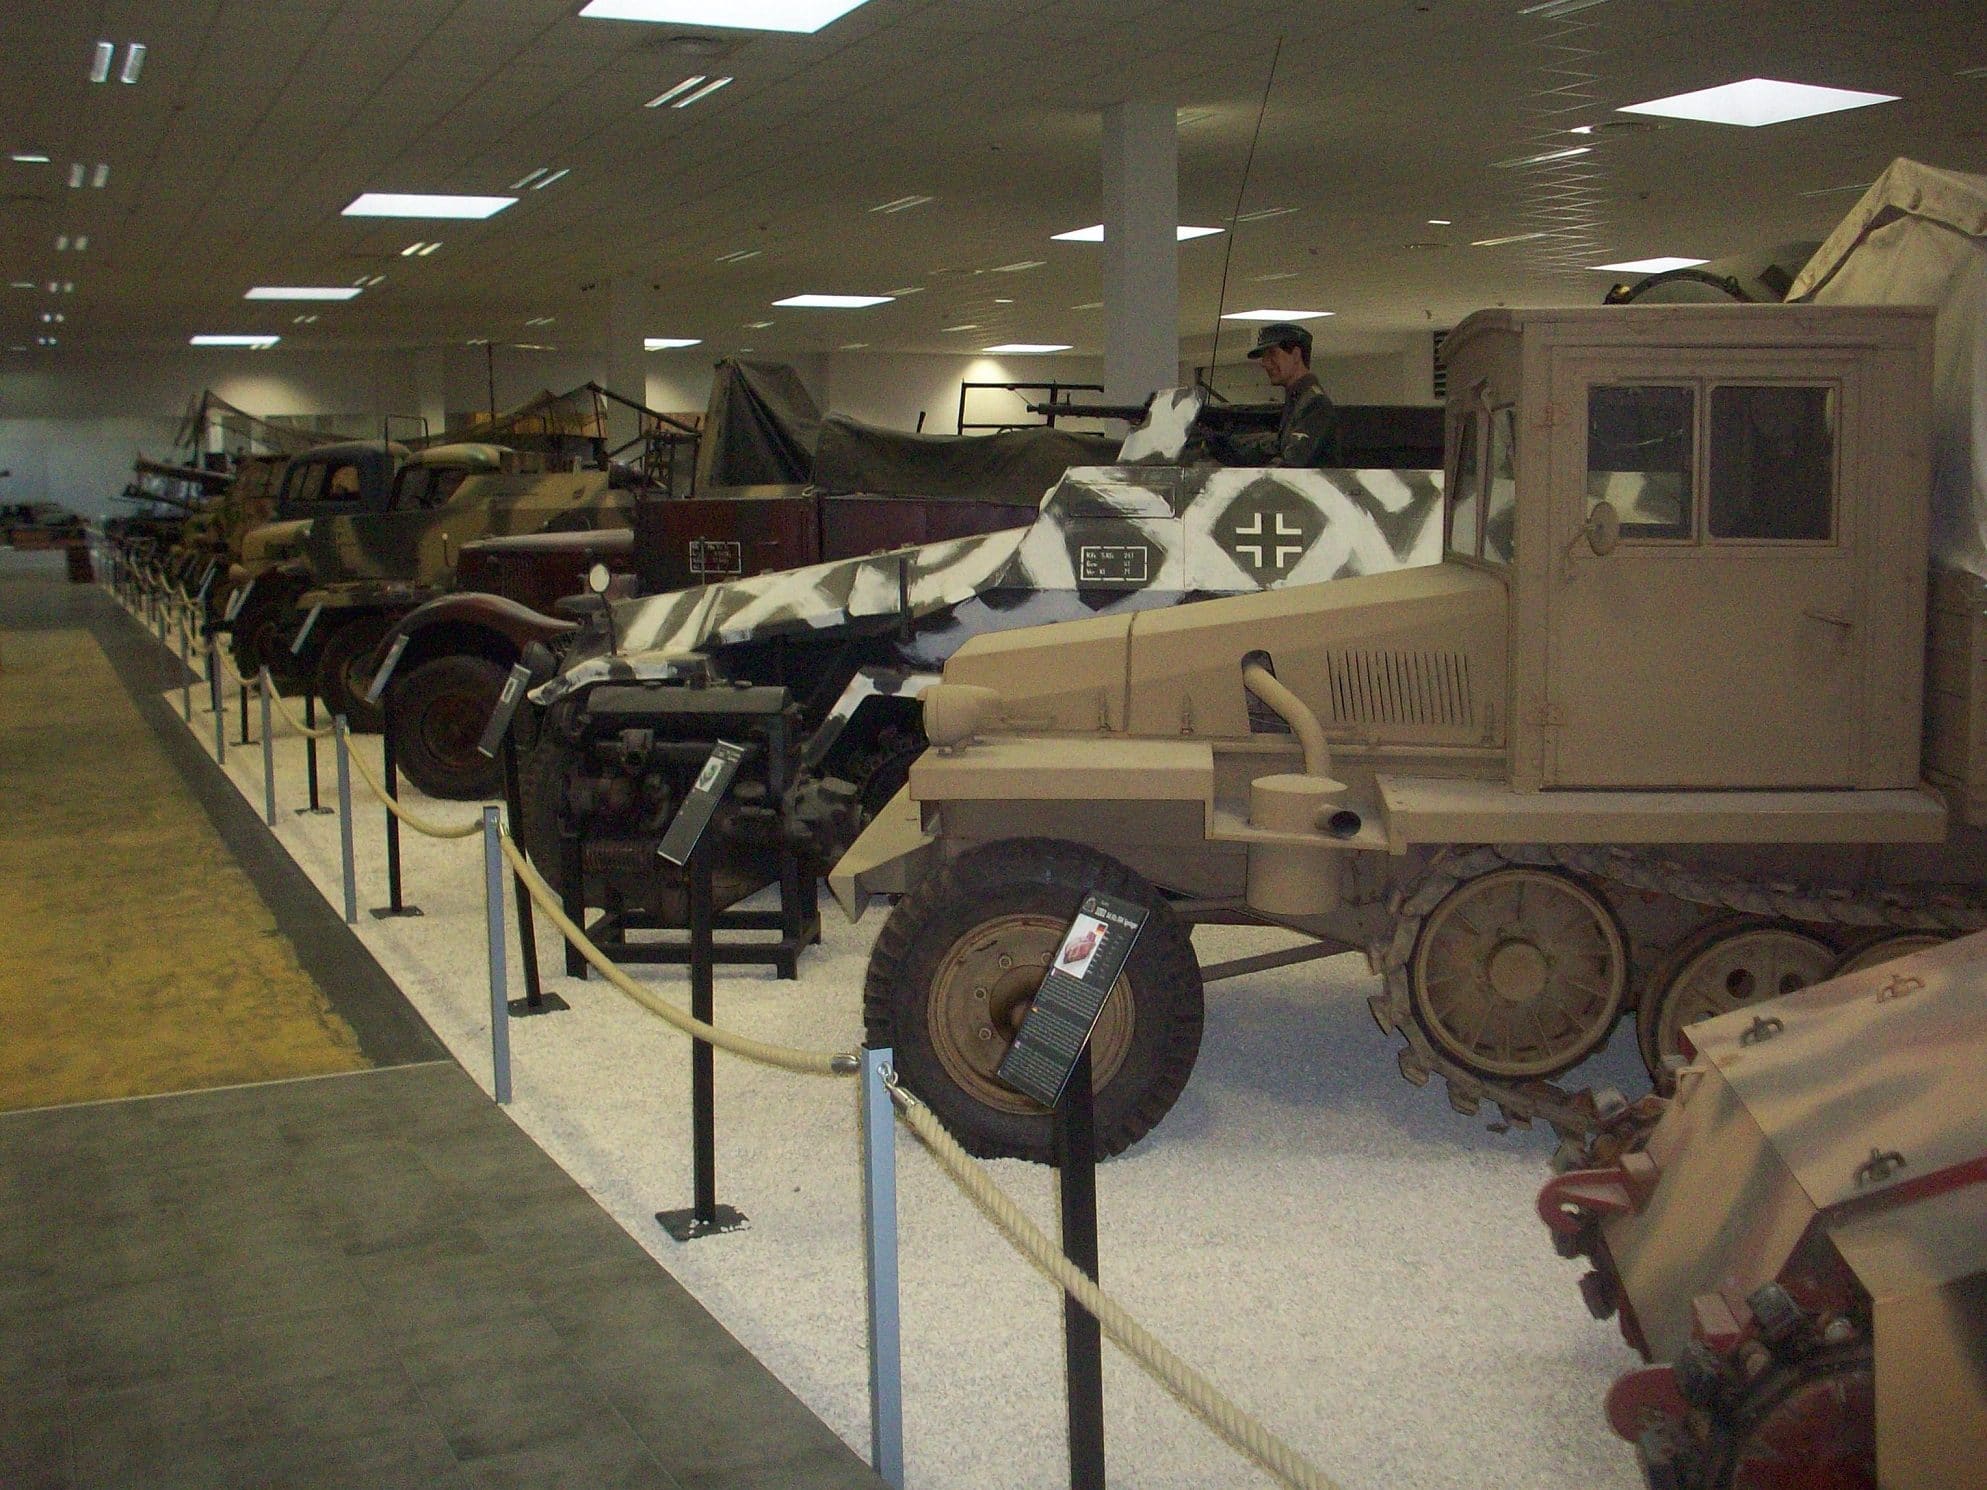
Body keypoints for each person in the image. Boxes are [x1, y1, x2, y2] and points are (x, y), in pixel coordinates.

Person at [1246, 321, 1338, 467]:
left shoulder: (1314, 404)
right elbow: (1277, 445)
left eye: (1272, 354)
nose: (1264, 363)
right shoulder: (1298, 400)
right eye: (1264, 357)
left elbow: (1292, 465)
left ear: (1296, 355)